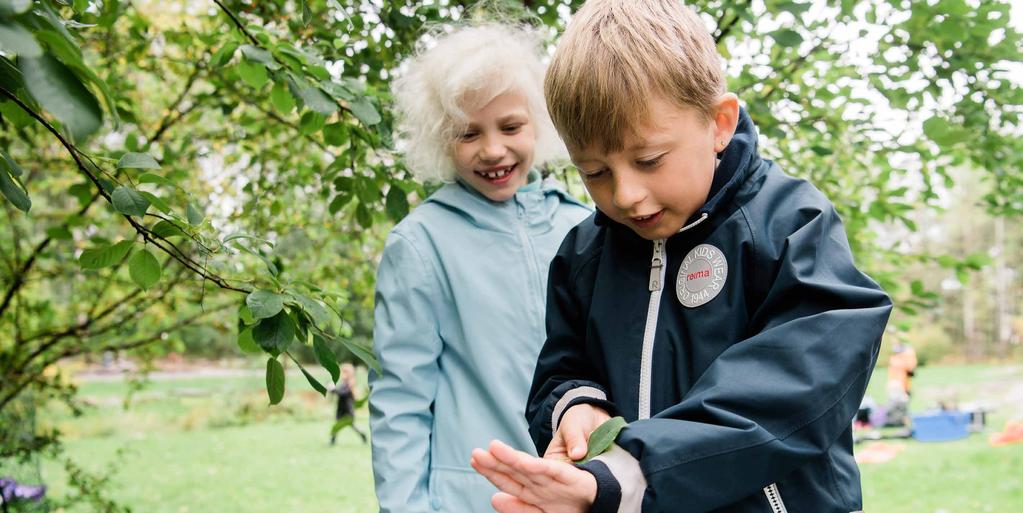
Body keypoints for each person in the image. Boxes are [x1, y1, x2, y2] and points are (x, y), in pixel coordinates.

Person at [470, 2, 893, 512]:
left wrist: (634, 470)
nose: (625, 195)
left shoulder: (791, 226)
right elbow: (561, 367)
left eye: (648, 160)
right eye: (595, 172)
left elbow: (797, 386)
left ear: (719, 123)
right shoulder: (584, 256)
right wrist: (576, 405)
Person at [369, 22, 592, 513]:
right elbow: (400, 401)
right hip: (474, 500)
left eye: (510, 126)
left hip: (583, 492)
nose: (493, 150)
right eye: (467, 133)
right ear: (438, 138)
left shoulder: (586, 228)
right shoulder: (420, 243)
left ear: (539, 120)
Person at [330, 363, 367, 445]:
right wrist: (332, 389)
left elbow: (342, 393)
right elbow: (339, 391)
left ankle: (363, 434)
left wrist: (333, 389)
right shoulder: (344, 383)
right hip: (341, 408)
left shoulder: (350, 383)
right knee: (339, 424)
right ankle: (332, 440)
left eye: (344, 372)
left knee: (347, 424)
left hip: (347, 408)